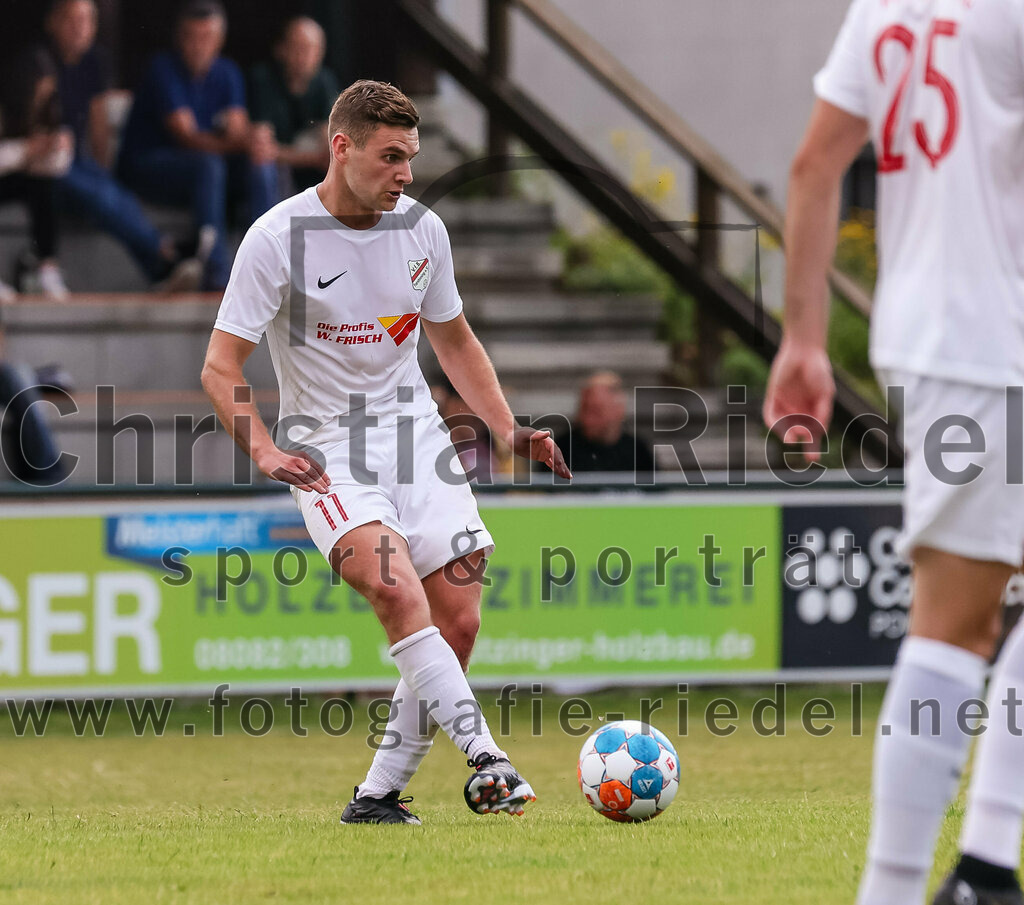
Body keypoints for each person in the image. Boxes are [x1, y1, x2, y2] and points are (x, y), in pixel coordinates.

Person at [201, 79, 570, 824]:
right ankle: (488, 759)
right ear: (342, 148)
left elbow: (454, 340)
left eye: (412, 156)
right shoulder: (276, 239)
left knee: (458, 618)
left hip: (419, 441)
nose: (405, 173)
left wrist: (504, 428)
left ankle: (376, 795)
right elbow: (219, 366)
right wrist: (268, 451)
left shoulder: (421, 231)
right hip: (327, 450)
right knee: (399, 592)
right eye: (391, 156)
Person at [764, 2, 1024, 904]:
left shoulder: (884, 5)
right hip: (994, 339)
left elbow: (814, 163)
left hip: (934, 332)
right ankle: (899, 887)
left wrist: (802, 337)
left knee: (969, 612)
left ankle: (989, 864)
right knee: (954, 619)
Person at [118, 0, 277, 290]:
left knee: (260, 162)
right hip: (148, 169)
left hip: (201, 175)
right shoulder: (163, 68)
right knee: (210, 164)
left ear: (220, 40)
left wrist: (254, 140)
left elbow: (238, 128)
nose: (198, 46)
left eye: (207, 37)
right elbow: (187, 137)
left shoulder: (227, 72)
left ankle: (264, 266)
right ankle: (216, 274)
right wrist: (241, 139)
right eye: (191, 37)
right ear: (179, 38)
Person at [46, 0, 201, 291]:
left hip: (76, 162)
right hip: (43, 167)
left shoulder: (94, 61)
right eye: (71, 19)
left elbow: (98, 122)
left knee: (111, 191)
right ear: (52, 22)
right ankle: (164, 255)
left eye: (87, 20)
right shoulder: (39, 62)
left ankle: (162, 265)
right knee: (99, 193)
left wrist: (103, 173)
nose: (80, 28)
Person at [0, 47, 72, 301]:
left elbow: (57, 168)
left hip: (22, 178)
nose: (41, 99)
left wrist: (56, 150)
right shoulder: (6, 110)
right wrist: (26, 151)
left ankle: (48, 269)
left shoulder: (49, 110)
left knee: (43, 187)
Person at [248, 16, 337, 195]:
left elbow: (329, 151)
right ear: (281, 49)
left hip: (307, 171)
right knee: (263, 168)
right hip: (274, 170)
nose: (305, 56)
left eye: (313, 49)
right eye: (298, 47)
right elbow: (263, 150)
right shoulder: (263, 79)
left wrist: (288, 154)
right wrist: (310, 158)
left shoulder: (325, 82)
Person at [557, 371, 655, 474]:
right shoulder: (563, 450)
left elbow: (658, 488)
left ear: (618, 410)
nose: (587, 420)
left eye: (596, 411)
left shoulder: (638, 452)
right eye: (584, 409)